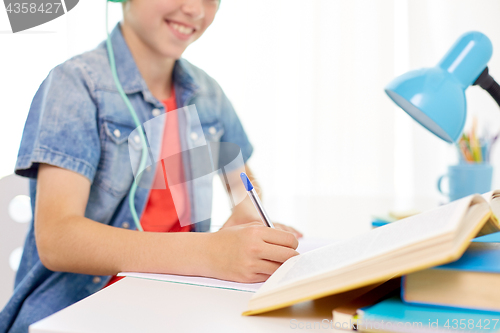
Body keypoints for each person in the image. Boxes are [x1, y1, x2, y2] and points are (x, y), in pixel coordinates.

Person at [0, 0, 302, 331]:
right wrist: (208, 254)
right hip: (78, 311)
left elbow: (241, 183)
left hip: (171, 304)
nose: (196, 10)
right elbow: (57, 239)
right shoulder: (75, 84)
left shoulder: (208, 93)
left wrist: (247, 213)